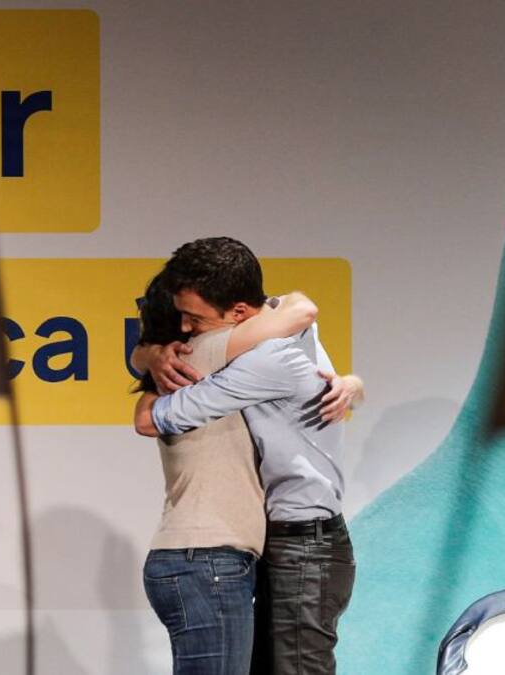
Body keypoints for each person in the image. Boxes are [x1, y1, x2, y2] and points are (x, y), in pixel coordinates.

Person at [134, 237, 360, 675]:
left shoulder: (258, 355)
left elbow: (151, 418)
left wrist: (151, 358)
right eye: (179, 318)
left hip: (303, 546)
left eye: (194, 317)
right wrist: (148, 354)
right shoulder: (279, 331)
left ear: (238, 314)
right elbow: (298, 306)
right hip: (281, 543)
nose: (186, 329)